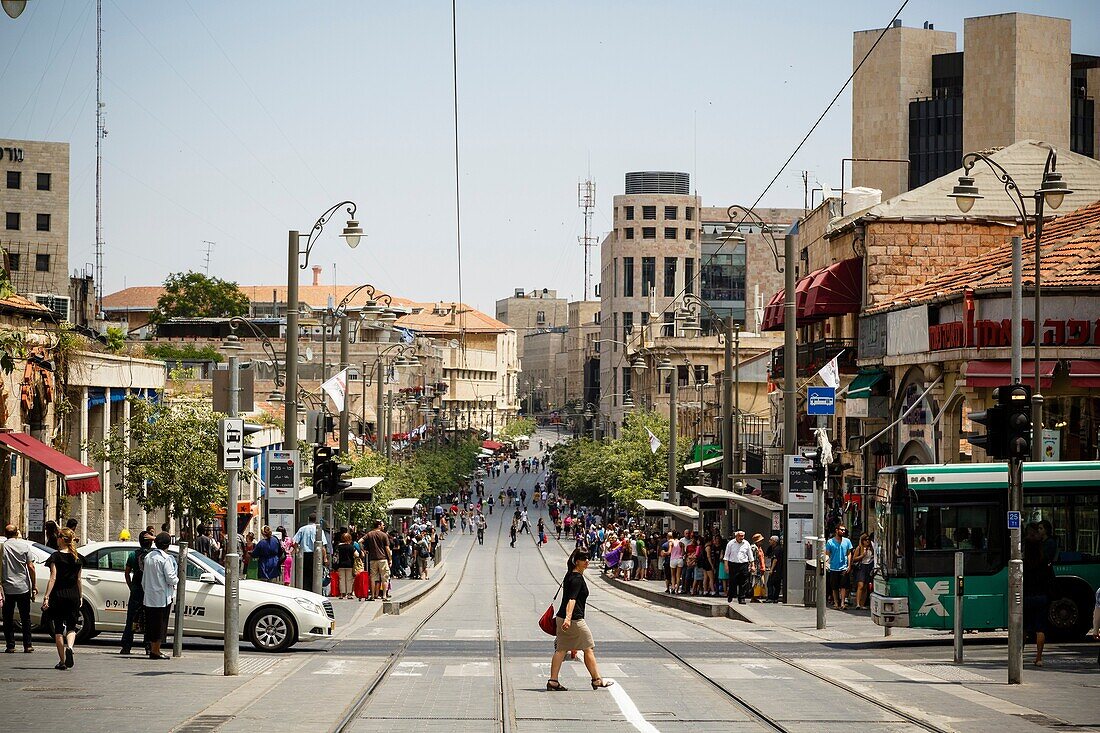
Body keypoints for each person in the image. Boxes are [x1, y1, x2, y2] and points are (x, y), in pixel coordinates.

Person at [546, 549, 613, 692]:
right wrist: (569, 618)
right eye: (584, 559)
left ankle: (553, 681)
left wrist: (565, 619)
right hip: (574, 620)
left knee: (561, 650)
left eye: (588, 558)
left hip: (561, 618)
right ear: (577, 561)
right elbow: (572, 599)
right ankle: (597, 680)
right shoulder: (577, 579)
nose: (587, 561)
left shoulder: (569, 575)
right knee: (588, 647)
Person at [42, 528, 83, 670]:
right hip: (73, 595)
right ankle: (70, 648)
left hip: (58, 595)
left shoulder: (55, 557)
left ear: (61, 539)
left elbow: (53, 577)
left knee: (58, 629)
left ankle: (62, 661)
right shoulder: (77, 557)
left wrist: (46, 596)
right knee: (72, 627)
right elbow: (79, 579)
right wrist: (80, 596)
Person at [2, 523, 37, 653]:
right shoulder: (24, 546)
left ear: (5, 534)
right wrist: (34, 585)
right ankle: (28, 645)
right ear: (17, 533)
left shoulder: (2, 547)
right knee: (25, 617)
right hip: (23, 587)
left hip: (7, 588)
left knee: (7, 618)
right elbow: (31, 567)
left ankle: (10, 645)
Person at [142, 532, 178, 660]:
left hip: (149, 596)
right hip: (162, 597)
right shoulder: (165, 559)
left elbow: (144, 578)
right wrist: (177, 580)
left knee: (152, 625)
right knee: (160, 625)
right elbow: (171, 578)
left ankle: (153, 649)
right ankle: (156, 651)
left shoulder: (149, 557)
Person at [1023, 523, 1053, 667]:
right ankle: (1039, 658)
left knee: (1022, 628)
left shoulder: (1023, 563)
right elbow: (1050, 579)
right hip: (1041, 597)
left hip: (1026, 597)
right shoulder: (1044, 561)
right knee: (1040, 628)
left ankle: (1019, 656)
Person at [120, 531, 154, 655]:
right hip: (149, 591)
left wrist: (131, 586)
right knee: (149, 619)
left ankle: (126, 646)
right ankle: (148, 646)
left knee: (131, 619)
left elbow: (127, 573)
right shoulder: (153, 556)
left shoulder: (133, 555)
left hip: (136, 590)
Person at [292, 513, 329, 592]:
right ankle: (314, 589)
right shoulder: (319, 530)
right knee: (316, 573)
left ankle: (306, 589)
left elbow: (295, 543)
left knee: (304, 574)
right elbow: (322, 546)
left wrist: (298, 552)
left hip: (304, 555)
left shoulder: (302, 529)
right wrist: (325, 558)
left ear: (308, 519)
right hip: (315, 555)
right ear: (316, 520)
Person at [825, 525, 854, 609]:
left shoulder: (847, 541)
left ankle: (842, 603)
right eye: (841, 530)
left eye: (844, 530)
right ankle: (836, 603)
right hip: (833, 567)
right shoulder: (830, 542)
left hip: (843, 567)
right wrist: (828, 563)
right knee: (834, 587)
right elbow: (827, 554)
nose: (843, 531)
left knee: (843, 586)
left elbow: (849, 553)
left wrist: (849, 565)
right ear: (836, 530)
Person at [723, 530, 753, 604]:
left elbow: (750, 555)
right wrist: (726, 566)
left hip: (744, 564)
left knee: (743, 582)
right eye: (739, 536)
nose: (741, 537)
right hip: (733, 564)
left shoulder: (746, 543)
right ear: (736, 536)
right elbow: (726, 556)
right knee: (733, 581)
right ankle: (731, 595)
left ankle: (742, 598)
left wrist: (753, 565)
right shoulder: (731, 543)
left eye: (742, 536)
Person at [365, 520, 392, 601]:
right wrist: (390, 559)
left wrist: (364, 550)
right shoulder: (384, 535)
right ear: (379, 525)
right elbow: (387, 548)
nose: (384, 526)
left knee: (373, 577)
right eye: (383, 525)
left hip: (373, 559)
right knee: (385, 577)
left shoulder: (369, 534)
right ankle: (384, 596)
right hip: (383, 559)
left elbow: (360, 541)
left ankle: (372, 596)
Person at [851, 532, 875, 610]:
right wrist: (862, 555)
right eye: (865, 540)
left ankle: (862, 604)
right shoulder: (859, 548)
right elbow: (854, 559)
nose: (867, 541)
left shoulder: (872, 547)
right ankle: (858, 603)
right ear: (862, 541)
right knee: (860, 585)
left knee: (865, 586)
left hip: (869, 566)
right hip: (862, 567)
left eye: (868, 540)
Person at [764, 536, 784, 603]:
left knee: (769, 583)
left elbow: (775, 560)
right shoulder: (772, 548)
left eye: (771, 540)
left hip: (776, 569)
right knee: (776, 584)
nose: (769, 541)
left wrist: (771, 569)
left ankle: (770, 597)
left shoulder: (777, 549)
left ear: (775, 541)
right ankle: (775, 598)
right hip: (778, 570)